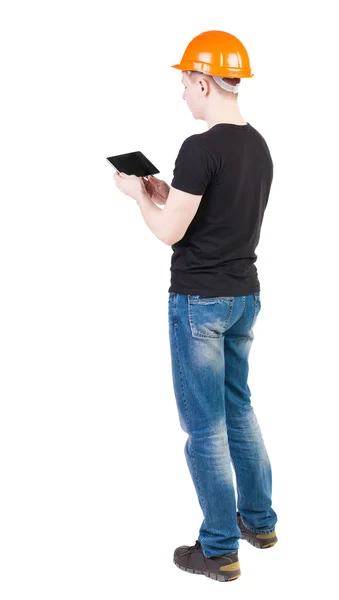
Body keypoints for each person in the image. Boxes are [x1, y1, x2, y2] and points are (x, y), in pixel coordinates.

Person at [114, 29, 278, 583]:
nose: (183, 94)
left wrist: (140, 196)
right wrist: (167, 192)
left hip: (199, 304)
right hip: (243, 298)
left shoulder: (200, 147)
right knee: (240, 408)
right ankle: (258, 522)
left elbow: (168, 233)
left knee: (204, 428)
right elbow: (215, 214)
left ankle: (219, 549)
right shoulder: (256, 145)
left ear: (204, 81)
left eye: (186, 82)